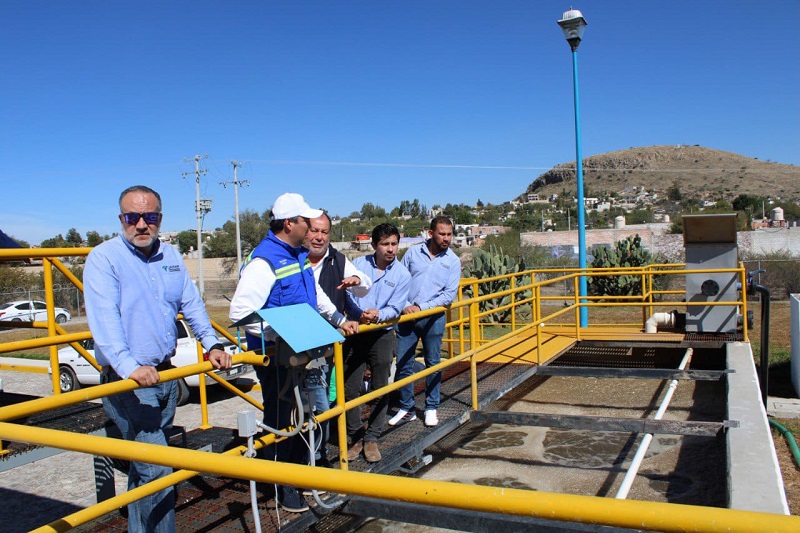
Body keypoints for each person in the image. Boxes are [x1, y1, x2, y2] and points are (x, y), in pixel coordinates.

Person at [84, 185, 232, 533]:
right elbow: (104, 320)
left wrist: (211, 343)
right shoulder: (105, 259)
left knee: (145, 469)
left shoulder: (171, 257)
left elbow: (192, 305)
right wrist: (129, 366)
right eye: (132, 217)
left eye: (149, 217)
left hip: (164, 376)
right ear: (121, 219)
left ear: (159, 220)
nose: (140, 224)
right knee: (158, 469)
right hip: (130, 381)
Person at [228, 192, 358, 513]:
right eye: (305, 221)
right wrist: (280, 332)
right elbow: (240, 312)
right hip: (277, 358)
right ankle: (286, 488)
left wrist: (338, 319)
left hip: (303, 350)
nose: (310, 227)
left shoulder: (295, 254)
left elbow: (314, 296)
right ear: (290, 224)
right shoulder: (264, 261)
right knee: (283, 420)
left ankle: (307, 473)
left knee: (310, 414)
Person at [303, 212, 371, 461]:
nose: (319, 237)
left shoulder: (338, 260)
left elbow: (364, 285)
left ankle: (317, 457)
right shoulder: (293, 259)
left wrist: (357, 280)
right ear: (304, 230)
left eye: (324, 232)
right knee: (296, 403)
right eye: (314, 231)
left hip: (324, 345)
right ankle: (299, 455)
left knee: (320, 399)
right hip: (293, 341)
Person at [343, 223, 410, 462]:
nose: (390, 249)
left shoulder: (402, 275)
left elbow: (396, 307)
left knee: (380, 387)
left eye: (394, 244)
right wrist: (359, 314)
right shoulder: (358, 266)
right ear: (374, 245)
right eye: (385, 244)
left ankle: (372, 437)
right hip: (355, 332)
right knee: (350, 389)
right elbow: (346, 295)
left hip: (382, 335)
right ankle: (355, 436)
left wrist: (378, 315)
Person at [389, 216, 461, 428]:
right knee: (403, 362)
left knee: (433, 363)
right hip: (407, 317)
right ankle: (406, 407)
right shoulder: (413, 252)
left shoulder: (453, 261)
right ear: (431, 233)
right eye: (442, 234)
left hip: (432, 318)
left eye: (449, 234)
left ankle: (431, 407)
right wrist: (405, 305)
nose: (446, 238)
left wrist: (421, 308)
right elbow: (401, 279)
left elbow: (448, 296)